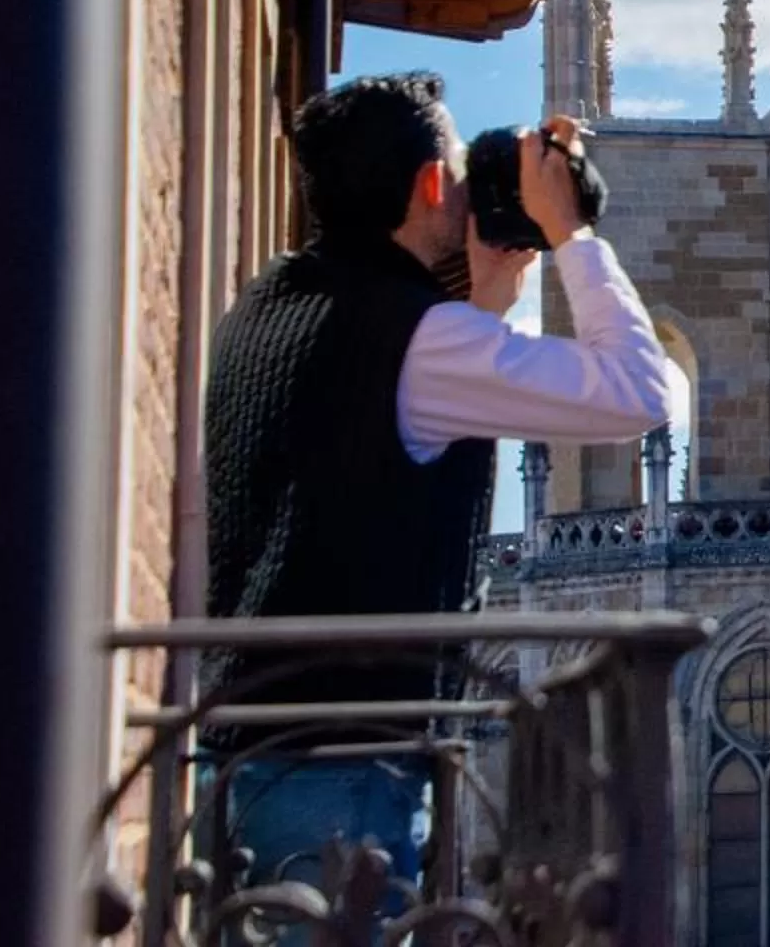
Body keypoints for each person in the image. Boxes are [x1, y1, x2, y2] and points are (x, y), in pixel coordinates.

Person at [201, 72, 677, 919]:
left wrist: (487, 296)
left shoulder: (261, 311)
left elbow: (377, 433)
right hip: (347, 763)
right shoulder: (417, 340)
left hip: (242, 750)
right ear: (427, 183)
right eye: (458, 169)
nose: (469, 187)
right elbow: (638, 394)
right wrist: (571, 232)